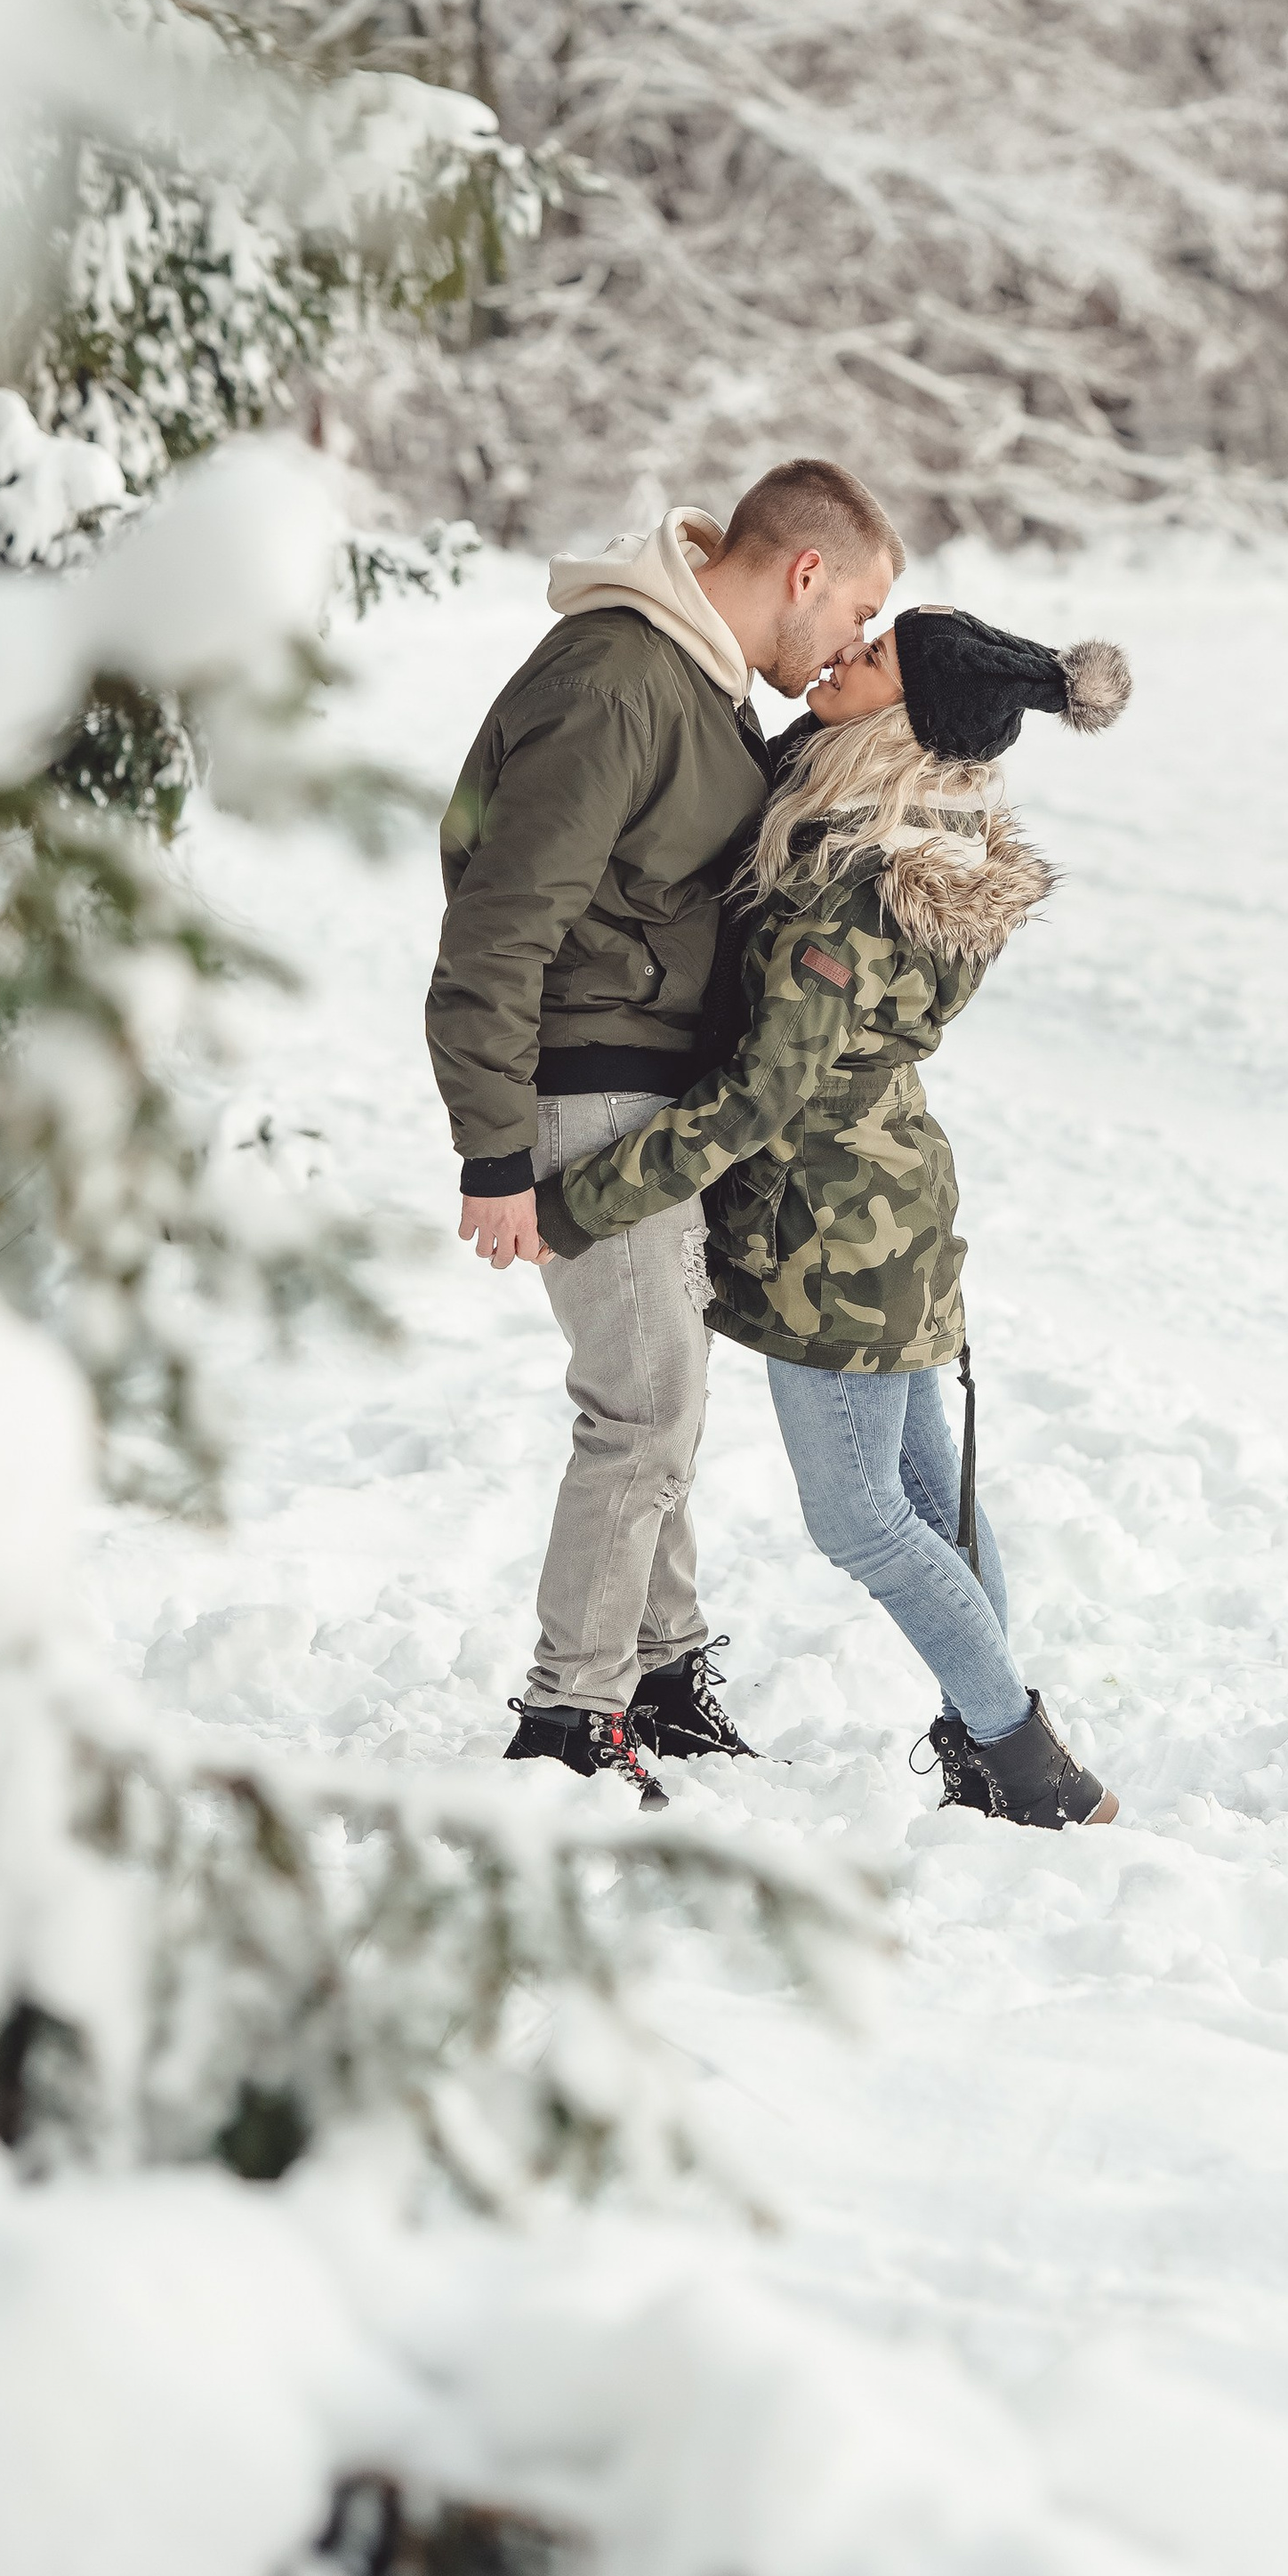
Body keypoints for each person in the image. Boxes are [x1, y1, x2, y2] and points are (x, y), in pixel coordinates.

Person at [532, 605, 1132, 1830]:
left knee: (862, 1516)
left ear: (910, 719)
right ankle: (991, 1744)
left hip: (834, 1238)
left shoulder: (851, 886)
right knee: (931, 1495)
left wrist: (588, 1197)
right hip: (893, 1204)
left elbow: (763, 1096)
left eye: (875, 660)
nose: (843, 658)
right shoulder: (921, 835)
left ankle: (1020, 1755)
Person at [426, 459, 904, 1808]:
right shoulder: (619, 680)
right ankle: (569, 1715)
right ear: (804, 572)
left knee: (665, 1397)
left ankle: (659, 1674)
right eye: (858, 610)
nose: (854, 643)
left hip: (645, 1097)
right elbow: (496, 923)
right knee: (640, 1408)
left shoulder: (698, 679)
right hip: (587, 1095)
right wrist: (493, 1152)